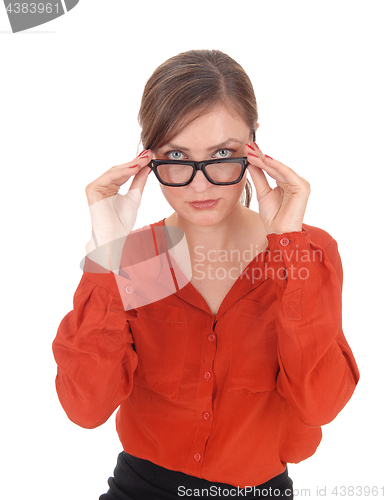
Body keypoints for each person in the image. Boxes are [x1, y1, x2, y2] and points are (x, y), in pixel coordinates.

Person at [52, 49, 360, 499]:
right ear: (148, 156)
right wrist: (107, 256)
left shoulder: (303, 254)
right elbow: (86, 408)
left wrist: (288, 244)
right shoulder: (140, 258)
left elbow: (320, 404)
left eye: (222, 153)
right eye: (176, 154)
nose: (200, 184)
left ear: (254, 147)